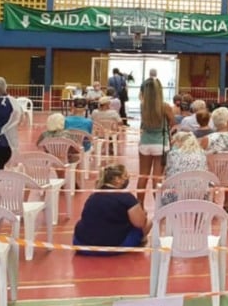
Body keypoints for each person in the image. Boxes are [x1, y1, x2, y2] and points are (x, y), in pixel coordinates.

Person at [72, 164, 150, 254]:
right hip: (111, 246)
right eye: (125, 176)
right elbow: (140, 223)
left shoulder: (93, 196)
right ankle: (140, 241)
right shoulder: (127, 198)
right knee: (148, 223)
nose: (128, 178)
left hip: (82, 245)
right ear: (117, 179)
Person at [137, 77, 175, 206]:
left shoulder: (143, 106)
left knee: (143, 176)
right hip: (161, 144)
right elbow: (172, 123)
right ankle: (159, 207)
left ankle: (140, 205)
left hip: (145, 143)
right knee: (157, 178)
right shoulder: (165, 107)